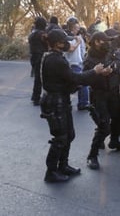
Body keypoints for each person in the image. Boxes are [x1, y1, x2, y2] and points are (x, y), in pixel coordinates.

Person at [39, 29, 111, 182]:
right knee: (61, 137)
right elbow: (75, 78)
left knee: (69, 135)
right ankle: (51, 172)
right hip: (55, 102)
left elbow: (68, 81)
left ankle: (63, 165)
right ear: (58, 43)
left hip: (60, 100)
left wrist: (91, 76)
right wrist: (95, 71)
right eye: (64, 41)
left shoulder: (55, 56)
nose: (68, 43)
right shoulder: (56, 60)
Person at [83, 32, 120, 169]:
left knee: (117, 118)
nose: (107, 43)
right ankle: (92, 156)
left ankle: (114, 141)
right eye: (104, 41)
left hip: (113, 91)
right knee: (104, 126)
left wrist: (112, 68)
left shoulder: (109, 52)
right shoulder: (89, 59)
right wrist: (99, 73)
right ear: (96, 42)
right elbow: (85, 78)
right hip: (99, 95)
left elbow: (117, 61)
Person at [64, 18, 90, 110]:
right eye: (76, 27)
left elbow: (82, 51)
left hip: (78, 64)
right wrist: (78, 42)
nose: (78, 29)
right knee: (81, 83)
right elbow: (70, 49)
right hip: (71, 64)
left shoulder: (78, 37)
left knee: (81, 83)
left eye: (78, 27)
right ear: (71, 27)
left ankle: (82, 103)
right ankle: (82, 103)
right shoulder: (68, 37)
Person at [28, 16, 48, 106]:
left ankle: (35, 96)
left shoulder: (32, 33)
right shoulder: (41, 34)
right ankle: (37, 97)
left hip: (33, 56)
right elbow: (48, 41)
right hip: (40, 56)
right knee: (40, 78)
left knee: (38, 77)